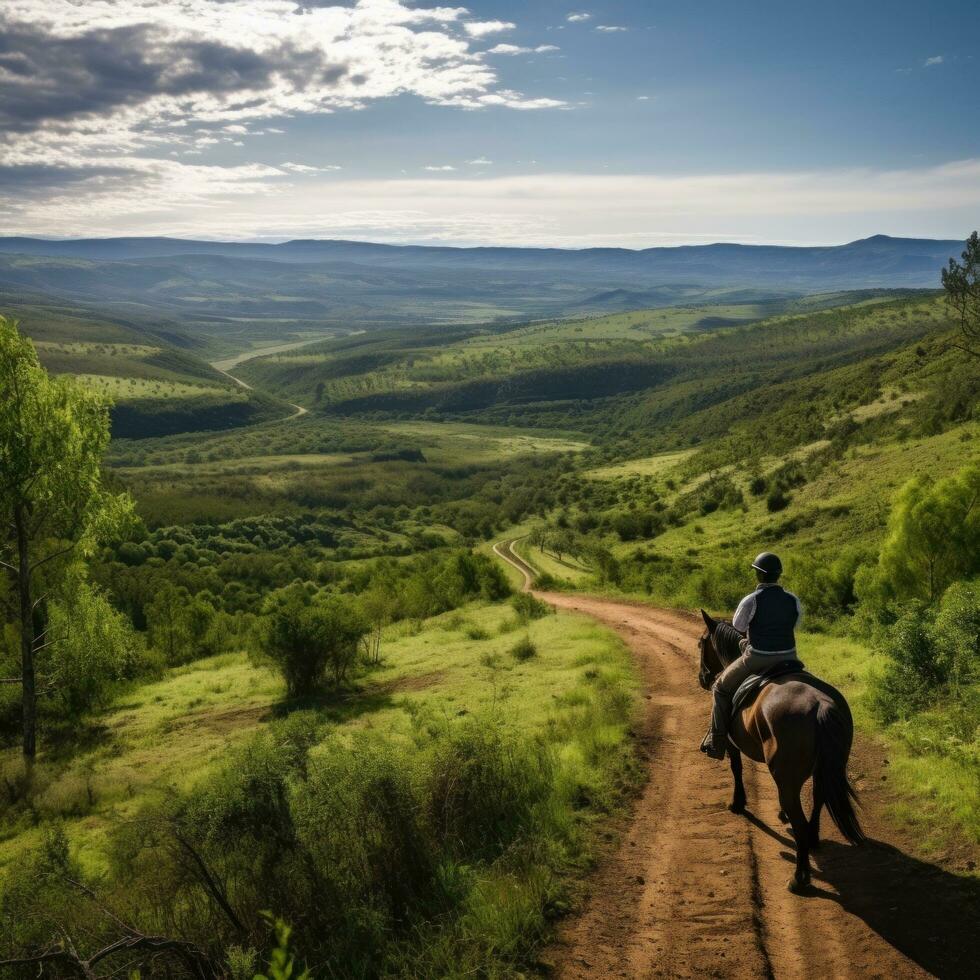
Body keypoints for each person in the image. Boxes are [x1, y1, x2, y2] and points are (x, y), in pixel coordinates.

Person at [700, 552, 803, 759]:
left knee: (720, 688)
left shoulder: (751, 600)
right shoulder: (793, 599)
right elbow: (795, 624)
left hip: (757, 658)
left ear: (758, 575)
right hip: (791, 658)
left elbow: (738, 626)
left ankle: (717, 741)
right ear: (778, 575)